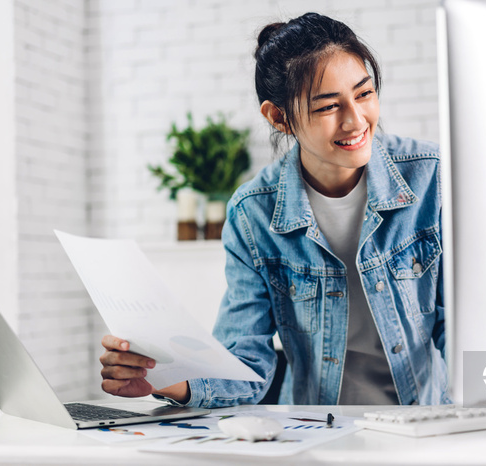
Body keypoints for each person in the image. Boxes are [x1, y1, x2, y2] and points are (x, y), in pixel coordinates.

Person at [99, 12, 449, 407]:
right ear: (278, 117)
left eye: (364, 94)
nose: (356, 120)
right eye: (328, 106)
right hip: (316, 430)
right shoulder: (254, 214)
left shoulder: (432, 178)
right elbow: (246, 361)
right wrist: (164, 379)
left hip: (423, 423)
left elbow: (460, 329)